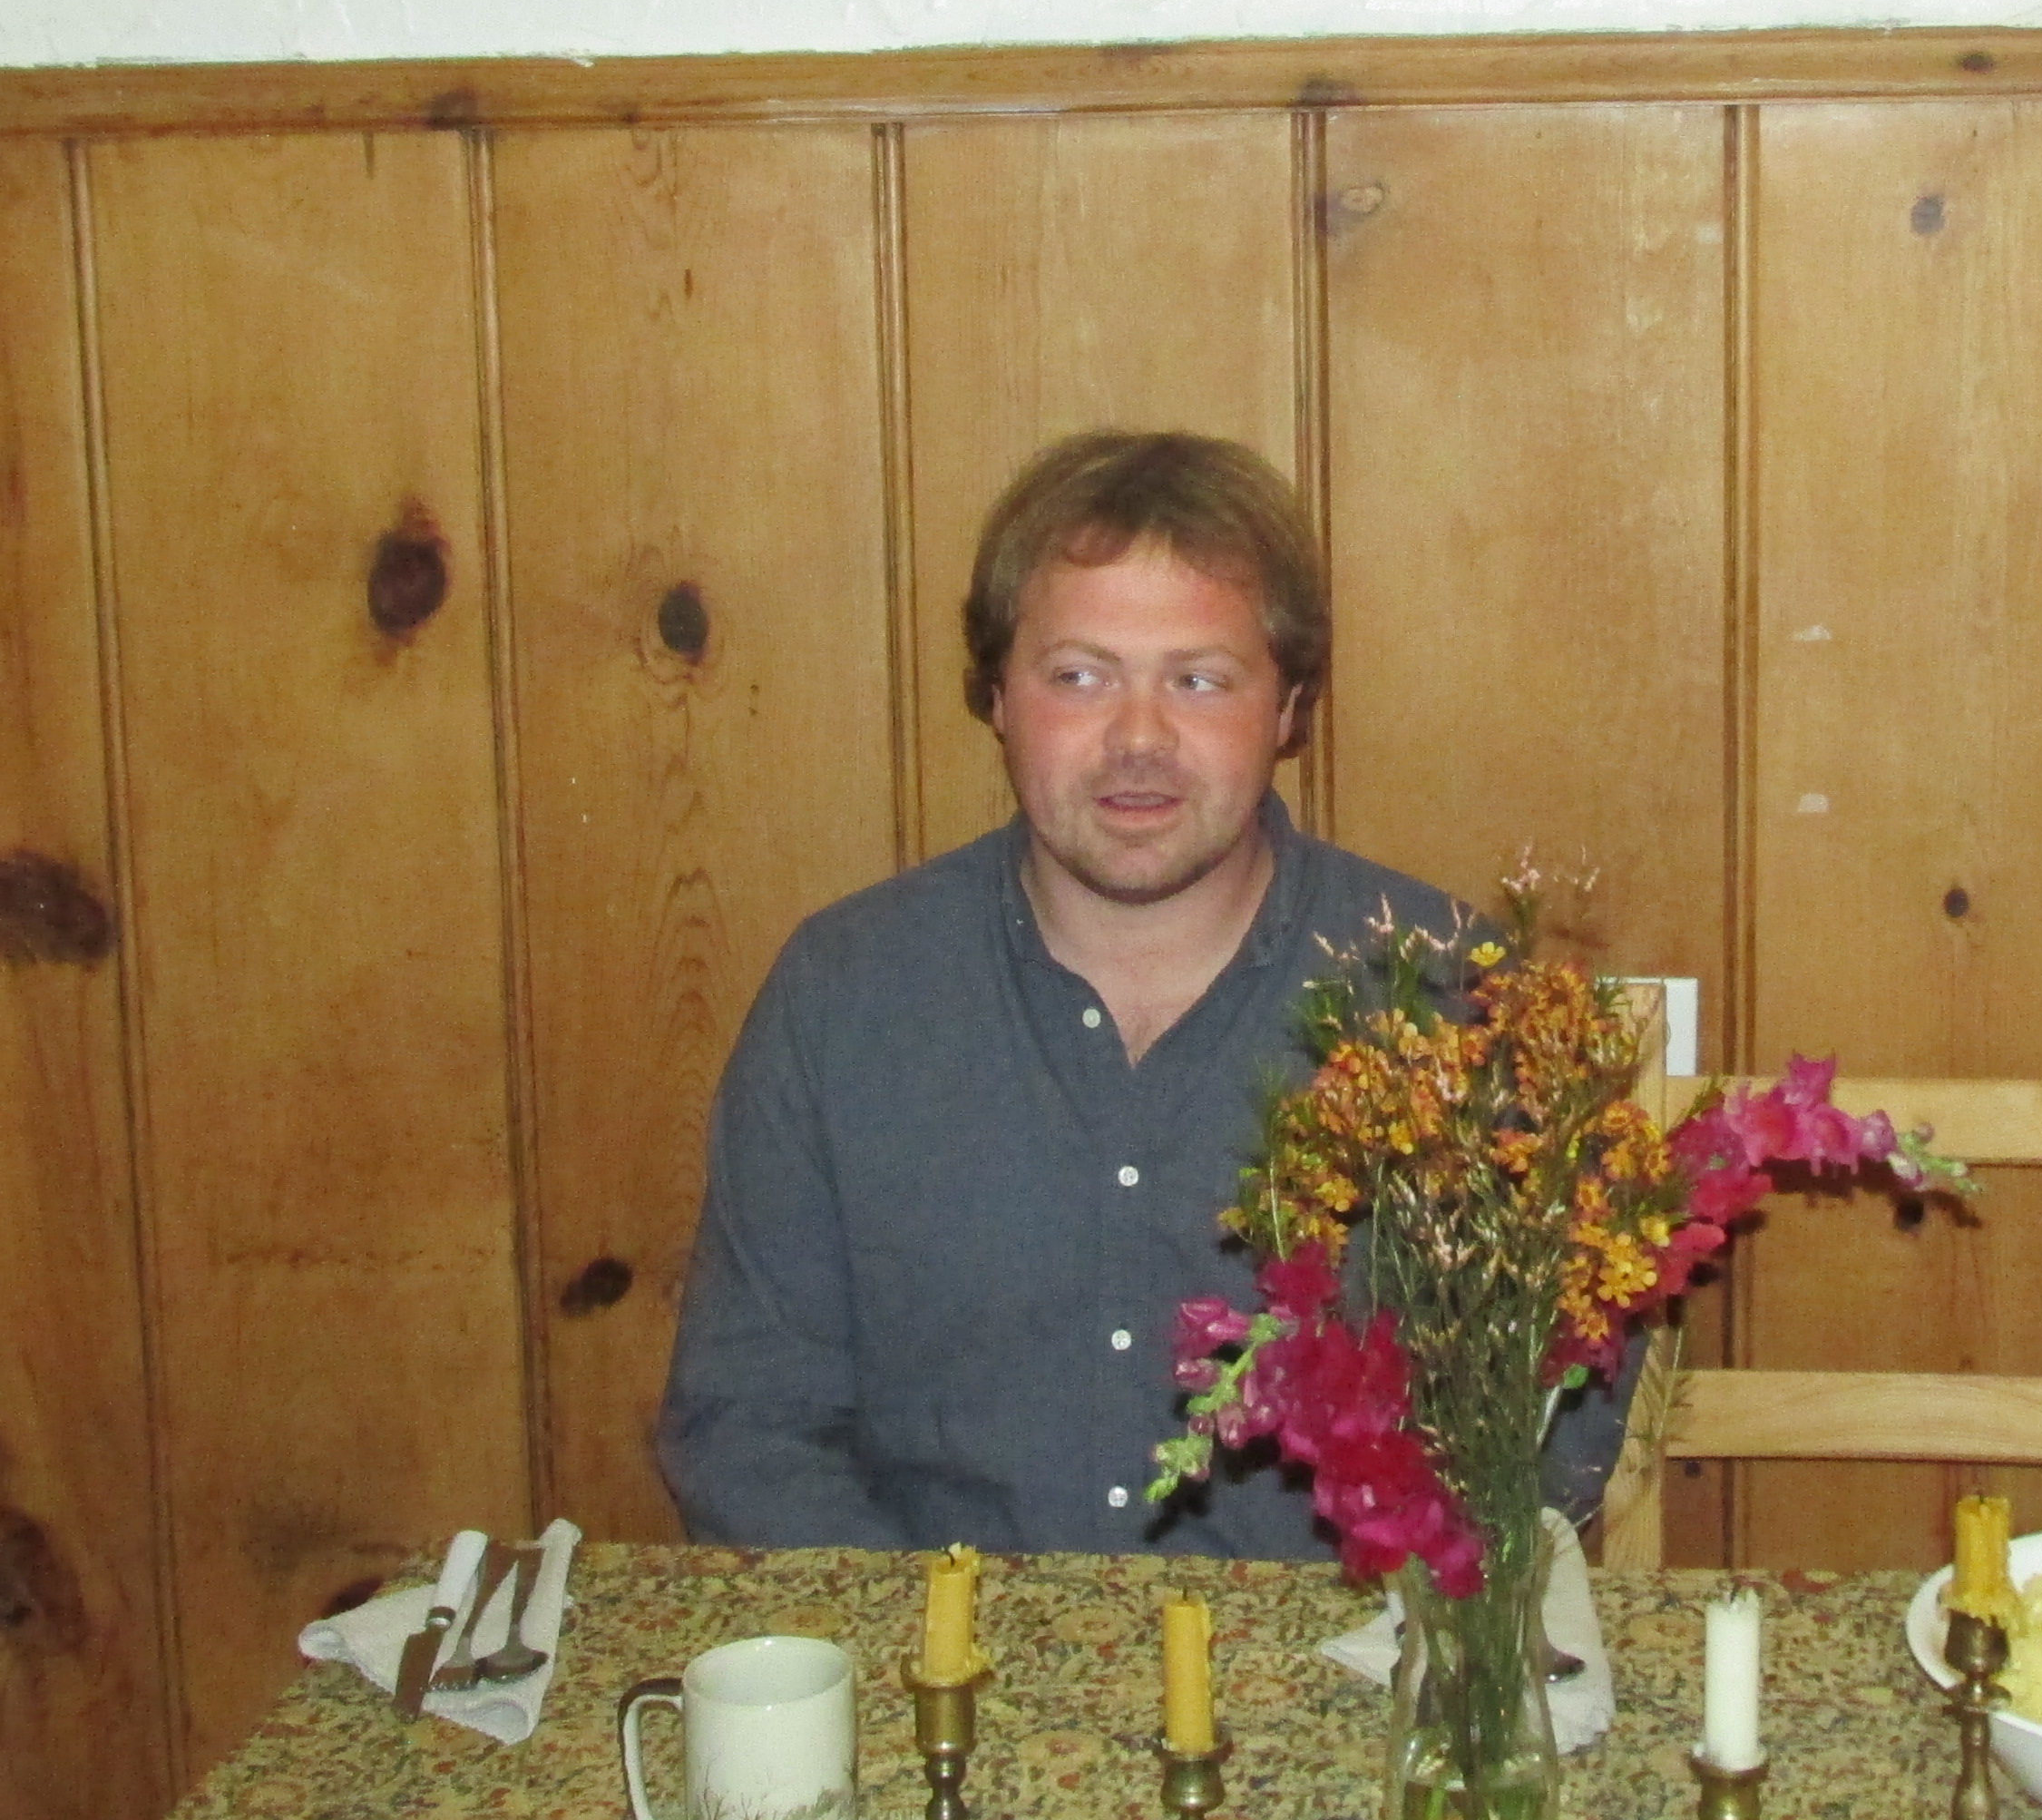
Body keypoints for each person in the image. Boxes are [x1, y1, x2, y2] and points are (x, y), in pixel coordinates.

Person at [656, 430, 1625, 1555]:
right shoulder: (847, 996)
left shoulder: (1454, 1008)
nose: (1138, 739)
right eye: (1080, 676)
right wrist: (927, 1641)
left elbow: (1549, 1431)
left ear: (1289, 708)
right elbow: (749, 1428)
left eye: (1199, 681)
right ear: (996, 697)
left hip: (1336, 1656)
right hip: (932, 1651)